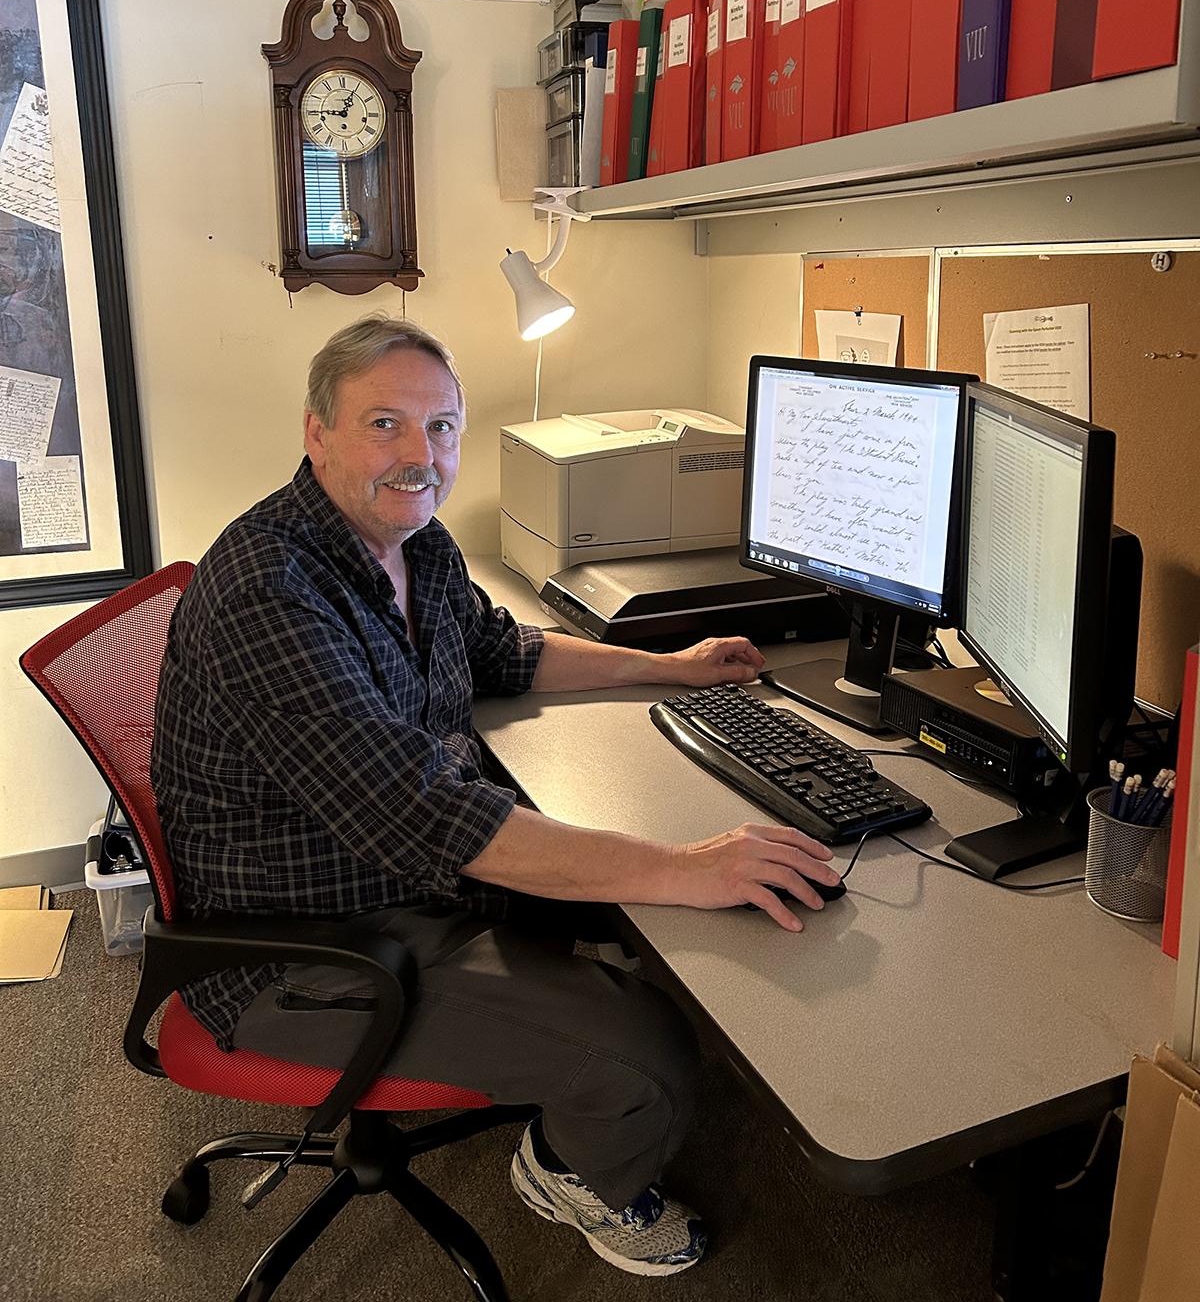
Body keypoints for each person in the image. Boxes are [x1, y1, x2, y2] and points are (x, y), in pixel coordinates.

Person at [151, 316, 839, 1277]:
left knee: (642, 897)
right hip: (303, 943)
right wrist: (690, 868)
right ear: (316, 432)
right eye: (384, 424)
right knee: (651, 1051)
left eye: (441, 429)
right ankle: (562, 1172)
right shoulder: (272, 591)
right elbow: (425, 815)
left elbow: (501, 651)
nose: (418, 456)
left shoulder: (413, 540)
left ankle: (557, 1039)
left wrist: (668, 669)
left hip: (393, 878)